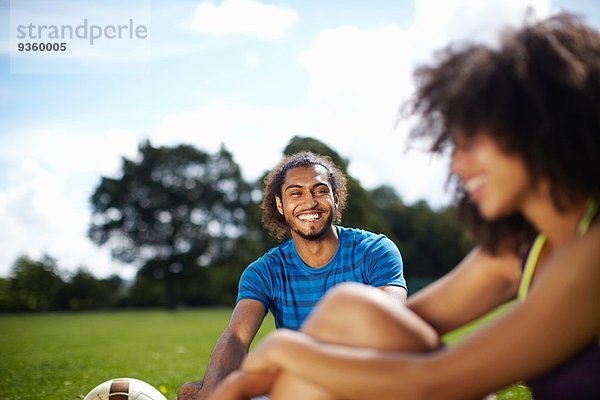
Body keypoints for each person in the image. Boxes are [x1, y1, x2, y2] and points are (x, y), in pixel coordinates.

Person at [208, 12, 600, 400]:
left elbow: (433, 381)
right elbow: (372, 325)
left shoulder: (592, 252)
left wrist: (281, 351)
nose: (457, 165)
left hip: (433, 382)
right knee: (347, 308)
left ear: (540, 127)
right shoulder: (520, 251)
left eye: (471, 143)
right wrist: (256, 377)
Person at [178, 151, 409, 400]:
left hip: (367, 385)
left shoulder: (375, 251)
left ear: (336, 197)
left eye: (320, 191)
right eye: (296, 193)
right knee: (197, 392)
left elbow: (389, 326)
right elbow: (236, 337)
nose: (309, 202)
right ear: (280, 204)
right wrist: (213, 391)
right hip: (300, 389)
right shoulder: (264, 272)